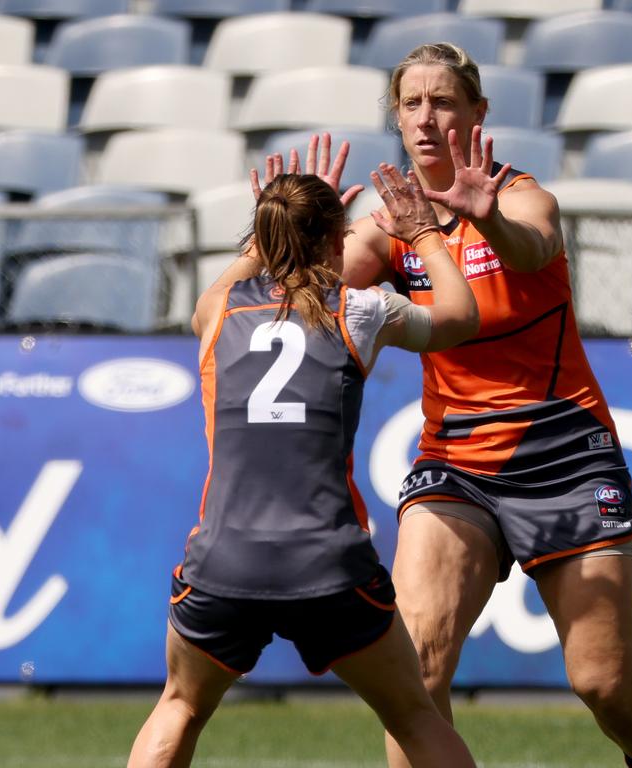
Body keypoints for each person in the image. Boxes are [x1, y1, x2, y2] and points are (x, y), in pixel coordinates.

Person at [329, 42, 632, 768]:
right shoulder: (391, 219)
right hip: (455, 459)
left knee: (606, 685)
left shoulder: (521, 197)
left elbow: (530, 246)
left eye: (444, 102)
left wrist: (482, 218)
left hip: (564, 454)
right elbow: (317, 283)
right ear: (396, 117)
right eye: (411, 103)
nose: (426, 119)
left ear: (478, 112)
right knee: (415, 674)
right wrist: (294, 236)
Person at [126, 162, 481, 767]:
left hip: (222, 560)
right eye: (341, 236)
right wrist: (422, 234)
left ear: (264, 240)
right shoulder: (359, 310)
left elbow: (222, 291)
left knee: (180, 706)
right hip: (327, 565)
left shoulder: (216, 313)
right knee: (414, 715)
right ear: (330, 240)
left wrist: (267, 233)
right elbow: (461, 317)